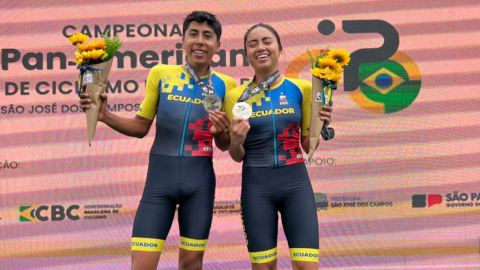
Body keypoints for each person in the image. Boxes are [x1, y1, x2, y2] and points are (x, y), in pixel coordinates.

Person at [79, 11, 235, 270]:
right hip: (159, 182)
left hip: (200, 184)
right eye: (193, 34)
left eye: (208, 36)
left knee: (192, 264)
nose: (200, 41)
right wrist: (105, 115)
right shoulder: (161, 73)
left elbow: (225, 143)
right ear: (182, 41)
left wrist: (220, 132)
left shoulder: (226, 84)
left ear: (217, 45)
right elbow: (141, 127)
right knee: (141, 265)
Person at [224, 23, 333, 270]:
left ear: (280, 50)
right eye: (253, 44)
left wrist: (320, 124)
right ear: (246, 54)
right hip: (256, 188)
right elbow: (236, 155)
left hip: (296, 185)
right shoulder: (236, 97)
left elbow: (308, 146)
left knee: (307, 267)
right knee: (264, 268)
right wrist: (236, 141)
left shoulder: (302, 89)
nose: (260, 47)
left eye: (267, 41)